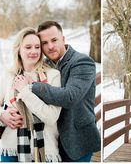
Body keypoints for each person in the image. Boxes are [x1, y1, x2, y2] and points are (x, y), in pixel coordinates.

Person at [15, 21, 101, 162]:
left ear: (63, 39)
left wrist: (34, 86)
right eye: (44, 43)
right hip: (51, 141)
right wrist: (5, 112)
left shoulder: (82, 62)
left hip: (77, 138)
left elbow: (70, 97)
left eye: (54, 40)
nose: (50, 46)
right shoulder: (44, 65)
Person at [0, 27, 62, 162]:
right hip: (11, 148)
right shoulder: (9, 75)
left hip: (44, 150)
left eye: (37, 47)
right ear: (19, 50)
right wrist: (1, 115)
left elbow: (51, 117)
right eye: (28, 47)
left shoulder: (53, 76)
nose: (34, 51)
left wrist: (25, 91)